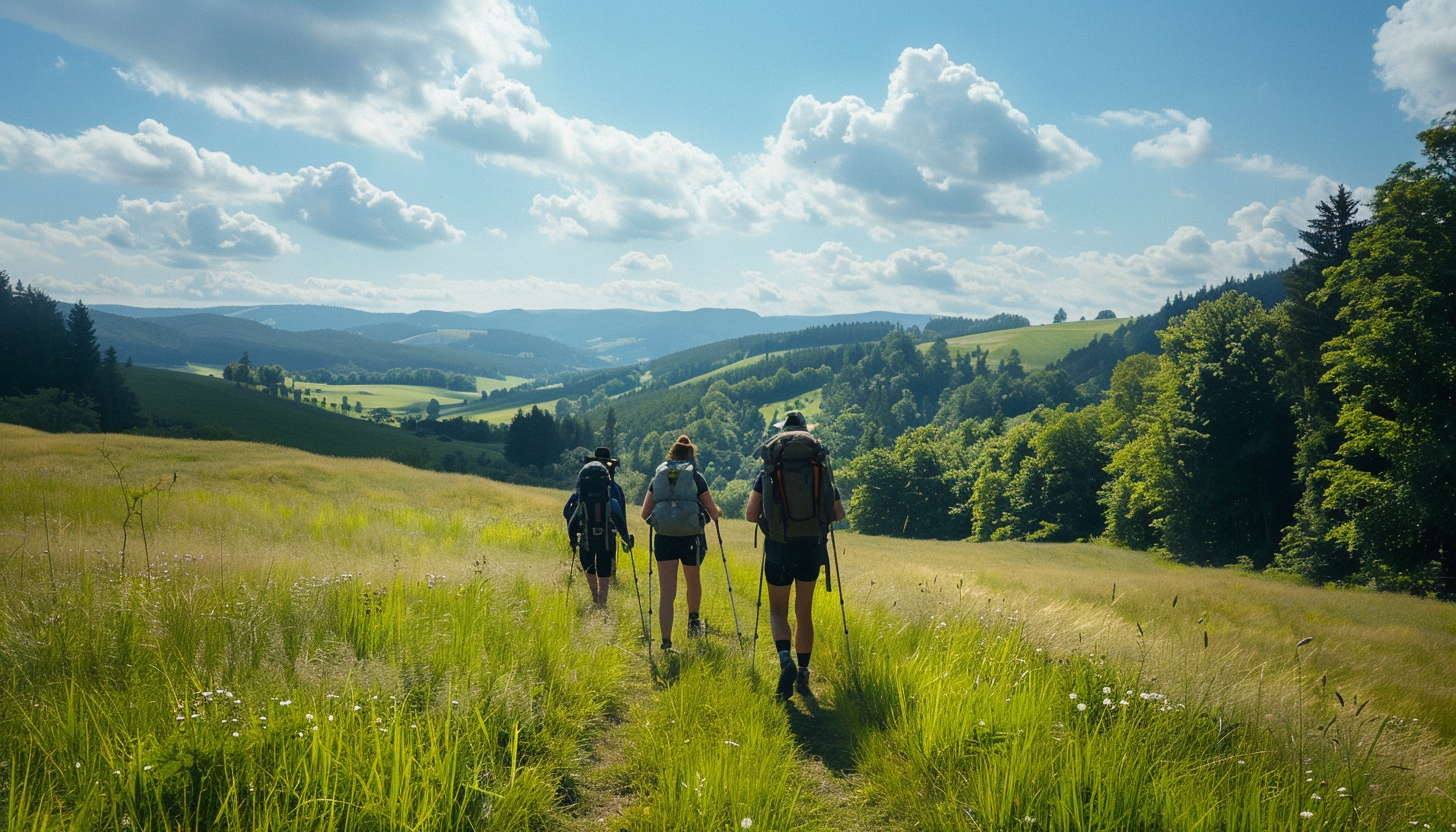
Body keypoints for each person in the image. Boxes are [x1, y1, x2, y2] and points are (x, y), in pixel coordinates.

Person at [745, 411, 846, 700]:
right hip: (811, 547)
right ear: (806, 432)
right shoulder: (819, 466)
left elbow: (752, 514)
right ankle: (803, 674)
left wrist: (773, 521)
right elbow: (838, 513)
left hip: (779, 545)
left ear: (781, 435)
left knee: (778, 611)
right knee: (804, 612)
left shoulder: (769, 468)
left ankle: (785, 660)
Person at [641, 435, 723, 650]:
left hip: (664, 538)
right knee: (692, 581)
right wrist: (717, 512)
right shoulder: (695, 476)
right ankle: (693, 622)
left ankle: (666, 642)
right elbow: (713, 513)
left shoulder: (658, 476)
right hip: (690, 537)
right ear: (690, 455)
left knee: (667, 592)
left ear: (672, 454)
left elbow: (644, 513)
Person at [564, 447, 632, 608]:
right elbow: (619, 515)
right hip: (607, 539)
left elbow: (568, 513)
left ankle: (595, 599)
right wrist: (626, 538)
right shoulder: (613, 491)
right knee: (604, 565)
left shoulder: (583, 494)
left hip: (587, 537)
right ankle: (603, 602)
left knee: (590, 565)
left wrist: (573, 539)